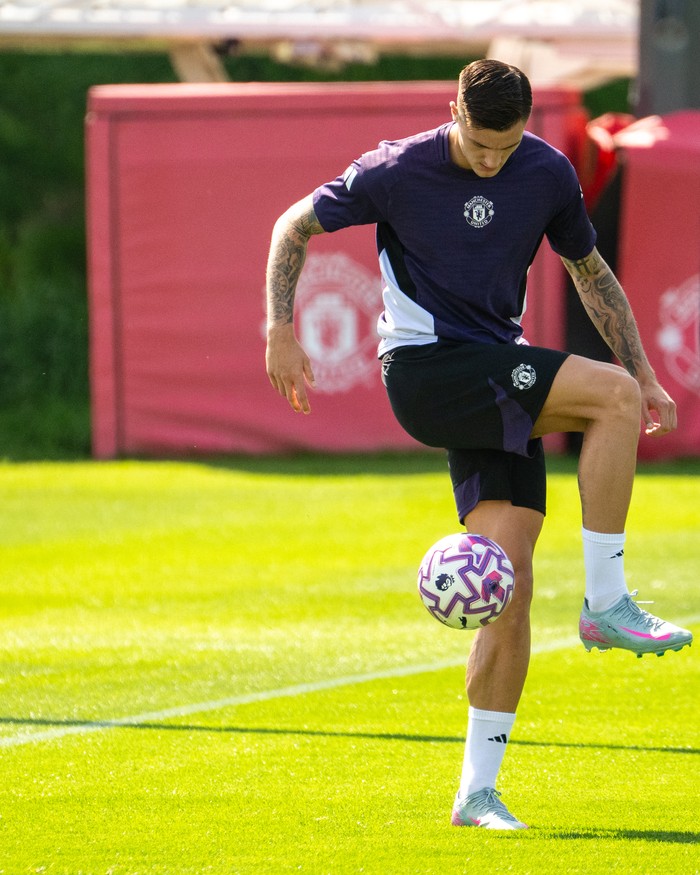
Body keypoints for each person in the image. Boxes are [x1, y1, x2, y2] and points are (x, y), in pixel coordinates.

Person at [264, 59, 692, 830]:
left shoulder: (547, 172)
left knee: (509, 582)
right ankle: (607, 601)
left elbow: (589, 272)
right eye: (478, 142)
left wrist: (646, 368)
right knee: (613, 400)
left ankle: (476, 794)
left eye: (506, 145)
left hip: (494, 373)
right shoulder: (397, 168)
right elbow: (291, 225)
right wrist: (278, 328)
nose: (492, 159)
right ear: (452, 110)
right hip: (428, 372)